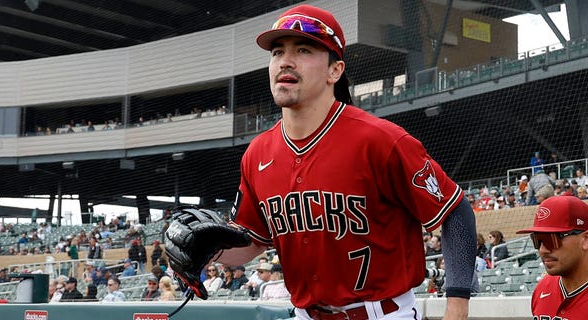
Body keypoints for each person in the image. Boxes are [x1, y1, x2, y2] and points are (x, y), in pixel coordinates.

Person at [216, 5, 476, 320]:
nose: (285, 60)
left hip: (383, 314)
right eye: (277, 51)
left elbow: (455, 211)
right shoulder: (257, 153)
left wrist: (457, 306)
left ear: (334, 71)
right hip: (305, 314)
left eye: (303, 49)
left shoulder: (380, 141)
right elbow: (253, 242)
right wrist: (206, 251)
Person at [516, 196, 588, 317]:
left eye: (551, 239)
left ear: (585, 240)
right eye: (537, 240)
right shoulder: (543, 287)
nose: (542, 250)